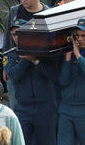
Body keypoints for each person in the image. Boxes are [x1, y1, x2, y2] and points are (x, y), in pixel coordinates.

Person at [4, 17, 58, 145]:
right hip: (23, 107)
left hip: (45, 107)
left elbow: (53, 74)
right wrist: (26, 59)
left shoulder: (44, 52)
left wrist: (35, 59)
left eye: (19, 33)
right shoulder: (10, 55)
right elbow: (14, 75)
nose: (16, 37)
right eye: (13, 34)